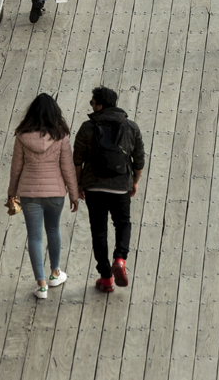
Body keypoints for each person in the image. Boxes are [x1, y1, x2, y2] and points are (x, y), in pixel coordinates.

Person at [5, 93, 81, 300]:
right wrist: (74, 194)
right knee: (54, 229)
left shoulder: (22, 136)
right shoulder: (61, 136)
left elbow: (16, 168)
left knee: (35, 237)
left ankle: (41, 285)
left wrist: (12, 193)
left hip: (29, 193)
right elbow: (67, 168)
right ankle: (55, 273)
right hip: (55, 193)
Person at [72, 87, 146, 293]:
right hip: (121, 186)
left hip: (94, 186)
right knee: (123, 224)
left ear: (100, 105)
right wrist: (135, 181)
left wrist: (79, 184)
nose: (91, 106)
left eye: (92, 103)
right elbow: (139, 159)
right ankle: (120, 259)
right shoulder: (131, 127)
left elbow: (77, 159)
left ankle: (105, 278)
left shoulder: (87, 127)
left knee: (99, 231)